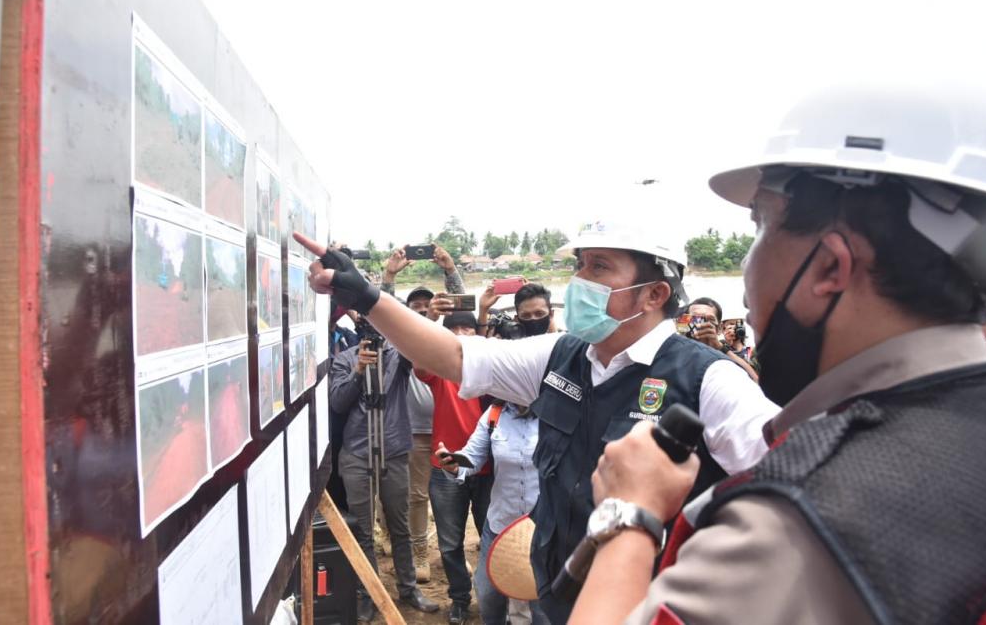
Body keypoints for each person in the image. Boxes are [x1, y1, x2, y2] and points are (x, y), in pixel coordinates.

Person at [568, 84, 986, 625]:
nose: (748, 273)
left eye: (760, 225)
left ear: (830, 268)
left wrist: (629, 517)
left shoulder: (792, 525)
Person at [295, 210, 780, 624]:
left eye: (600, 267)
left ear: (653, 294)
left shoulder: (710, 382)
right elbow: (456, 357)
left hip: (652, 609)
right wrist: (367, 296)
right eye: (580, 265)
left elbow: (793, 491)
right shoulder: (561, 356)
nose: (579, 281)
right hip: (556, 597)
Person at [328, 333, 439, 620]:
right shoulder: (344, 358)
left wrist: (432, 321)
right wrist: (358, 372)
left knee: (399, 524)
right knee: (362, 529)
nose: (374, 336)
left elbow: (419, 348)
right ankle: (368, 592)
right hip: (356, 452)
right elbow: (338, 403)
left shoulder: (399, 355)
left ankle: (408, 588)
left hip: (394, 451)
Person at [380, 245, 466, 582]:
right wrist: (388, 276)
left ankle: (451, 553)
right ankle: (419, 554)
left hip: (452, 429)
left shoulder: (449, 336)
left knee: (452, 494)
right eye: (413, 308)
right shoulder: (399, 341)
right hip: (414, 430)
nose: (420, 312)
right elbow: (381, 312)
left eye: (426, 307)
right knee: (416, 496)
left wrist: (450, 268)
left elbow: (464, 309)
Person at [437, 399, 547, 625]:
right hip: (501, 524)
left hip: (541, 528)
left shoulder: (554, 413)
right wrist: (455, 465)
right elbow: (473, 457)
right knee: (487, 593)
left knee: (541, 602)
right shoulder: (494, 414)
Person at [415, 308, 493, 625]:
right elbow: (420, 360)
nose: (461, 334)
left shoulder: (494, 367)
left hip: (489, 469)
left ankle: (492, 600)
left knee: (492, 540)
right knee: (450, 544)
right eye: (454, 329)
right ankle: (460, 598)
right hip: (445, 467)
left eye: (468, 328)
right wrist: (434, 324)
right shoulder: (441, 370)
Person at [683, 297, 759, 381]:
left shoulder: (724, 353)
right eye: (696, 318)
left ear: (718, 328)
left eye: (709, 320)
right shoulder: (678, 352)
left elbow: (754, 379)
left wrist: (720, 347)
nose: (703, 324)